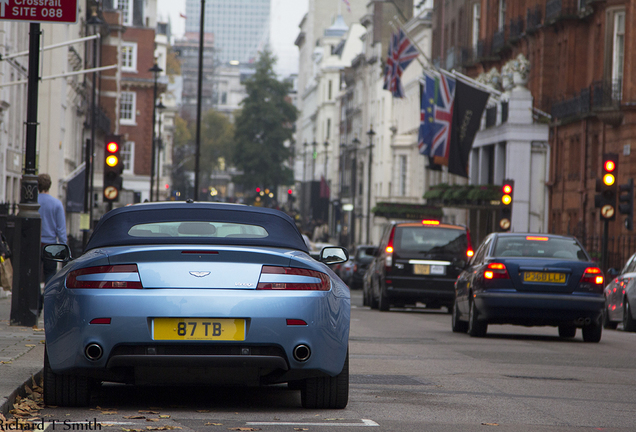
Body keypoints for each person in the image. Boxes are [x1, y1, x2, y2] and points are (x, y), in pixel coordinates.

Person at [38, 173, 67, 284]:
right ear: (49, 185)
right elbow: (61, 228)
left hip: (35, 244)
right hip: (50, 246)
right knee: (50, 273)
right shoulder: (56, 204)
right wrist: (63, 246)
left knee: (34, 274)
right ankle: (47, 298)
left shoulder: (33, 202)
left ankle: (36, 299)